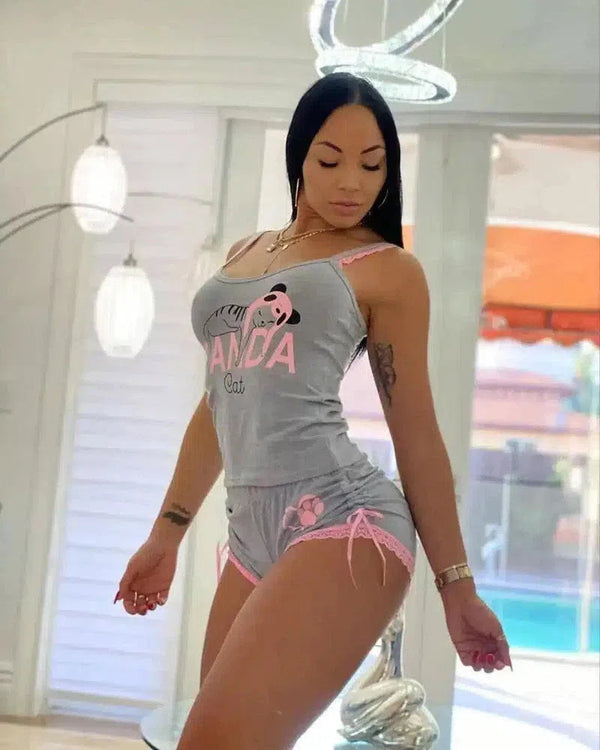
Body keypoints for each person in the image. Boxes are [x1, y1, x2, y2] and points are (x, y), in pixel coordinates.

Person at [114, 72, 512, 749]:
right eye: (330, 160)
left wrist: (457, 588)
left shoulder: (387, 269)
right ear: (299, 154)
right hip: (250, 535)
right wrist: (166, 534)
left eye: (372, 165)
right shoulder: (245, 253)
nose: (352, 182)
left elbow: (416, 433)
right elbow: (222, 401)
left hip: (345, 521)